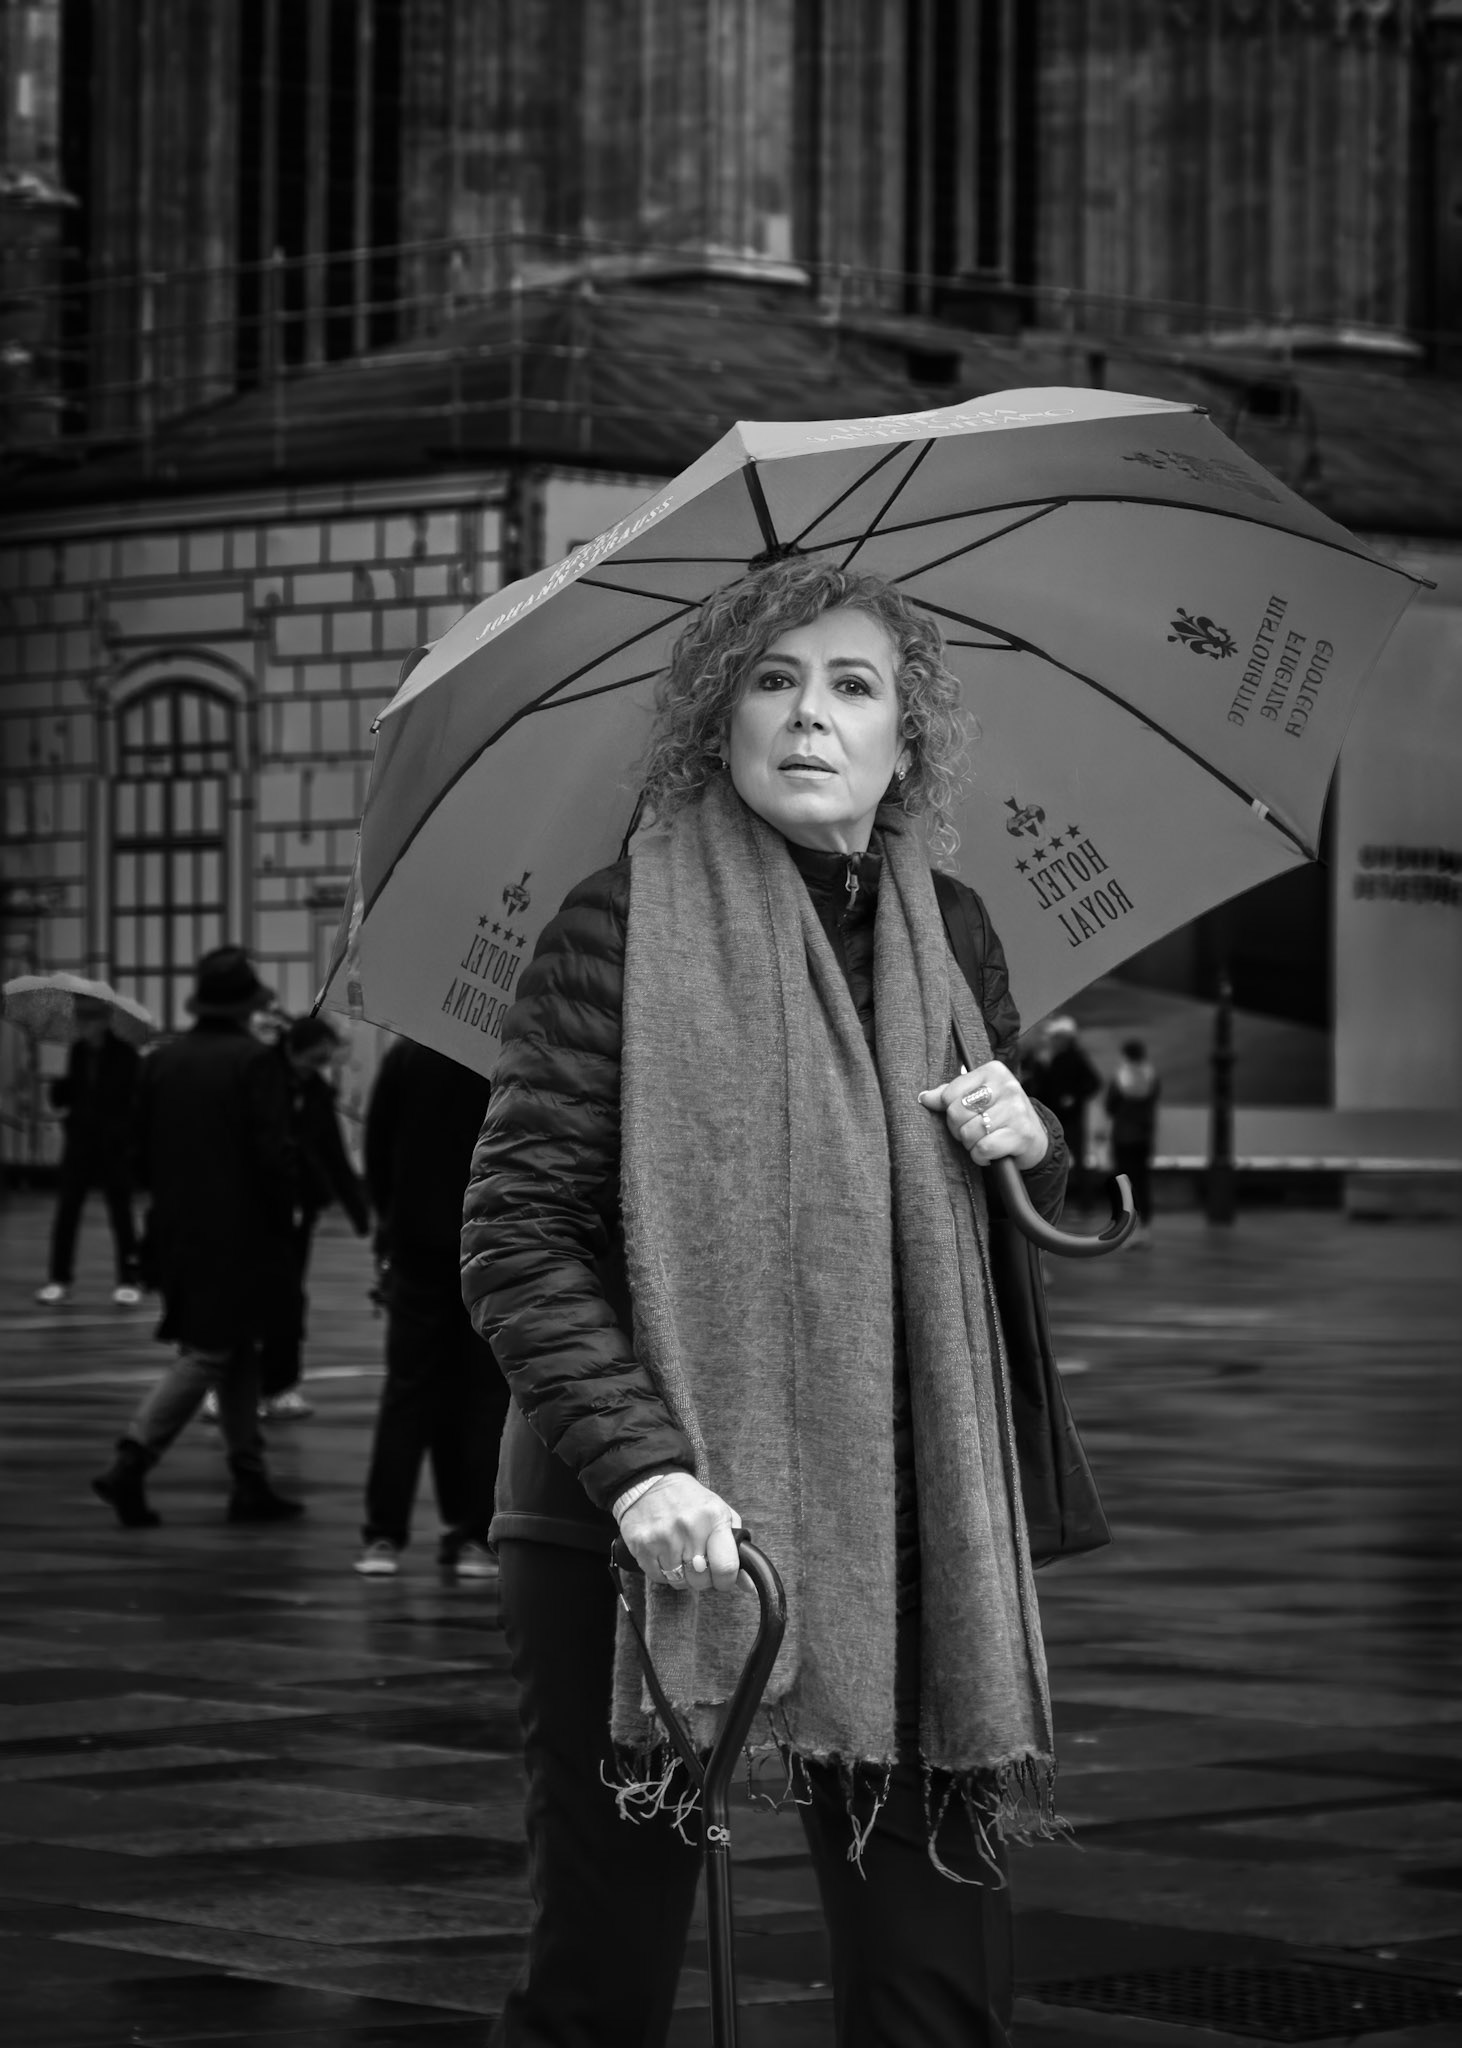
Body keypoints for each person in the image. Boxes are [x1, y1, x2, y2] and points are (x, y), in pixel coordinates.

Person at [461, 557, 1071, 2048]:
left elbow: (974, 1222)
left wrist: (1031, 1139)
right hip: (644, 1522)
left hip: (903, 1519)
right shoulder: (616, 928)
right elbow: (517, 1232)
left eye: (852, 686)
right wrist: (642, 1467)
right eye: (772, 680)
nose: (810, 714)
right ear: (717, 721)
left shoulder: (953, 934)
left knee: (937, 1990)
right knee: (601, 1980)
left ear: (903, 742)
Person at [91, 945, 304, 1530]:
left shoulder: (161, 1062)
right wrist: (287, 1213)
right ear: (244, 1004)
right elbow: (273, 1158)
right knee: (209, 1352)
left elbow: (136, 1154)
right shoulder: (255, 1062)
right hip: (242, 1234)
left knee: (235, 1350)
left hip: (177, 1230)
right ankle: (132, 1460)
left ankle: (249, 1477)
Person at [355, 1036, 508, 1579]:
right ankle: (471, 1537)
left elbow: (377, 1149)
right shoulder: (506, 1056)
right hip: (489, 1244)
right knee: (484, 1393)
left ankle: (383, 1535)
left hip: (416, 1245)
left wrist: (391, 1224)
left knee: (408, 1389)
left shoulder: (407, 1054)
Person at [255, 1014, 371, 1421]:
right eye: (316, 1058)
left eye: (324, 1060)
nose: (319, 1067)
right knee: (253, 1300)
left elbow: (333, 1153)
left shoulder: (316, 1092)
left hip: (298, 1212)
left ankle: (280, 1386)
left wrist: (358, 1211)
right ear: (294, 1049)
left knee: (289, 1300)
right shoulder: (260, 1079)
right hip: (255, 1210)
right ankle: (230, 1387)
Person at [36, 996, 143, 1306]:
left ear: (104, 1022)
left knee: (121, 1214)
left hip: (114, 1146)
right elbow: (64, 1098)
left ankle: (128, 1279)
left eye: (89, 1020)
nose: (83, 1026)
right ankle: (59, 1279)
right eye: (80, 1020)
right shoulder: (77, 1052)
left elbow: (134, 1100)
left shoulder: (125, 1055)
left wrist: (127, 1136)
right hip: (80, 1144)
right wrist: (59, 1081)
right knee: (67, 1212)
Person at [1025, 1014, 1102, 1207]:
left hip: (1072, 1119)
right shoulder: (1048, 1059)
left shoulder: (1075, 1058)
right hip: (1053, 1119)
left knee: (1077, 1160)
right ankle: (1058, 1202)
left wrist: (1074, 1097)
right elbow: (1042, 1089)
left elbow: (1093, 1083)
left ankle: (1085, 1204)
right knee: (1055, 1160)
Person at [1105, 1036, 1160, 1239]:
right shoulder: (1151, 1077)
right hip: (1143, 1136)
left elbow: (1110, 1106)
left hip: (1122, 1136)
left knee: (1123, 1180)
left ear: (1126, 1055)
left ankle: (1126, 1224)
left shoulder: (1121, 1078)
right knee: (1142, 1179)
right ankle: (1145, 1225)